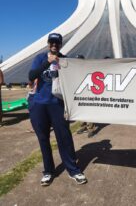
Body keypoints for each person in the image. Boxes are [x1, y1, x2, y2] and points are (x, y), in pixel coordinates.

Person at [28, 33, 87, 186]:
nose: (54, 45)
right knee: (43, 139)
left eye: (57, 43)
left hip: (57, 104)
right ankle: (48, 171)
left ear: (60, 45)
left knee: (64, 137)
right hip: (39, 103)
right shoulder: (40, 58)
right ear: (48, 43)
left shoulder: (65, 59)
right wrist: (47, 62)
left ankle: (73, 170)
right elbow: (31, 75)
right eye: (52, 42)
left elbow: (75, 79)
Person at [75, 54, 96, 138]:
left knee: (88, 111)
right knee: (81, 111)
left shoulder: (87, 68)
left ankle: (90, 129)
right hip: (79, 94)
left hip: (88, 93)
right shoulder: (75, 69)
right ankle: (83, 126)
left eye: (78, 60)